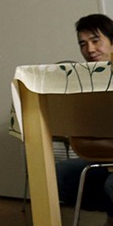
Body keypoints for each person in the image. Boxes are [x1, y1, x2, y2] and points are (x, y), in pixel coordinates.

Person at [55, 14, 113, 224]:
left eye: (96, 41)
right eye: (83, 44)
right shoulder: (82, 80)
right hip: (103, 155)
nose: (90, 49)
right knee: (60, 174)